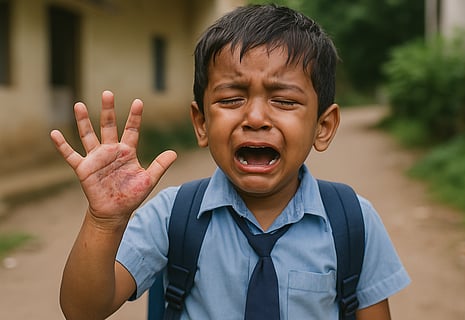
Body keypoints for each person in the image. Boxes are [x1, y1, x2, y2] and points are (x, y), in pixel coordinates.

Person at [51, 4, 410, 320]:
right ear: (202, 123)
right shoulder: (172, 216)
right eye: (231, 98)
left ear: (323, 126)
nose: (255, 117)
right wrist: (104, 222)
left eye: (284, 101)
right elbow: (83, 311)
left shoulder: (352, 222)